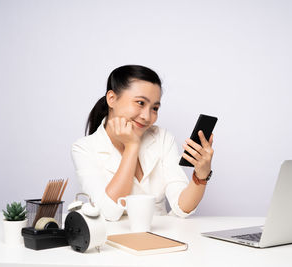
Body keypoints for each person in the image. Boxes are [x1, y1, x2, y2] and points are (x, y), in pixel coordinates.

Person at [71, 65, 215, 221]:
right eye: (140, 103)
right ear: (112, 99)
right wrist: (132, 147)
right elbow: (109, 212)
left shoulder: (162, 138)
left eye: (154, 108)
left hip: (162, 236)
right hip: (114, 240)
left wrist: (201, 175)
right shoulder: (84, 148)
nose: (147, 116)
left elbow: (182, 207)